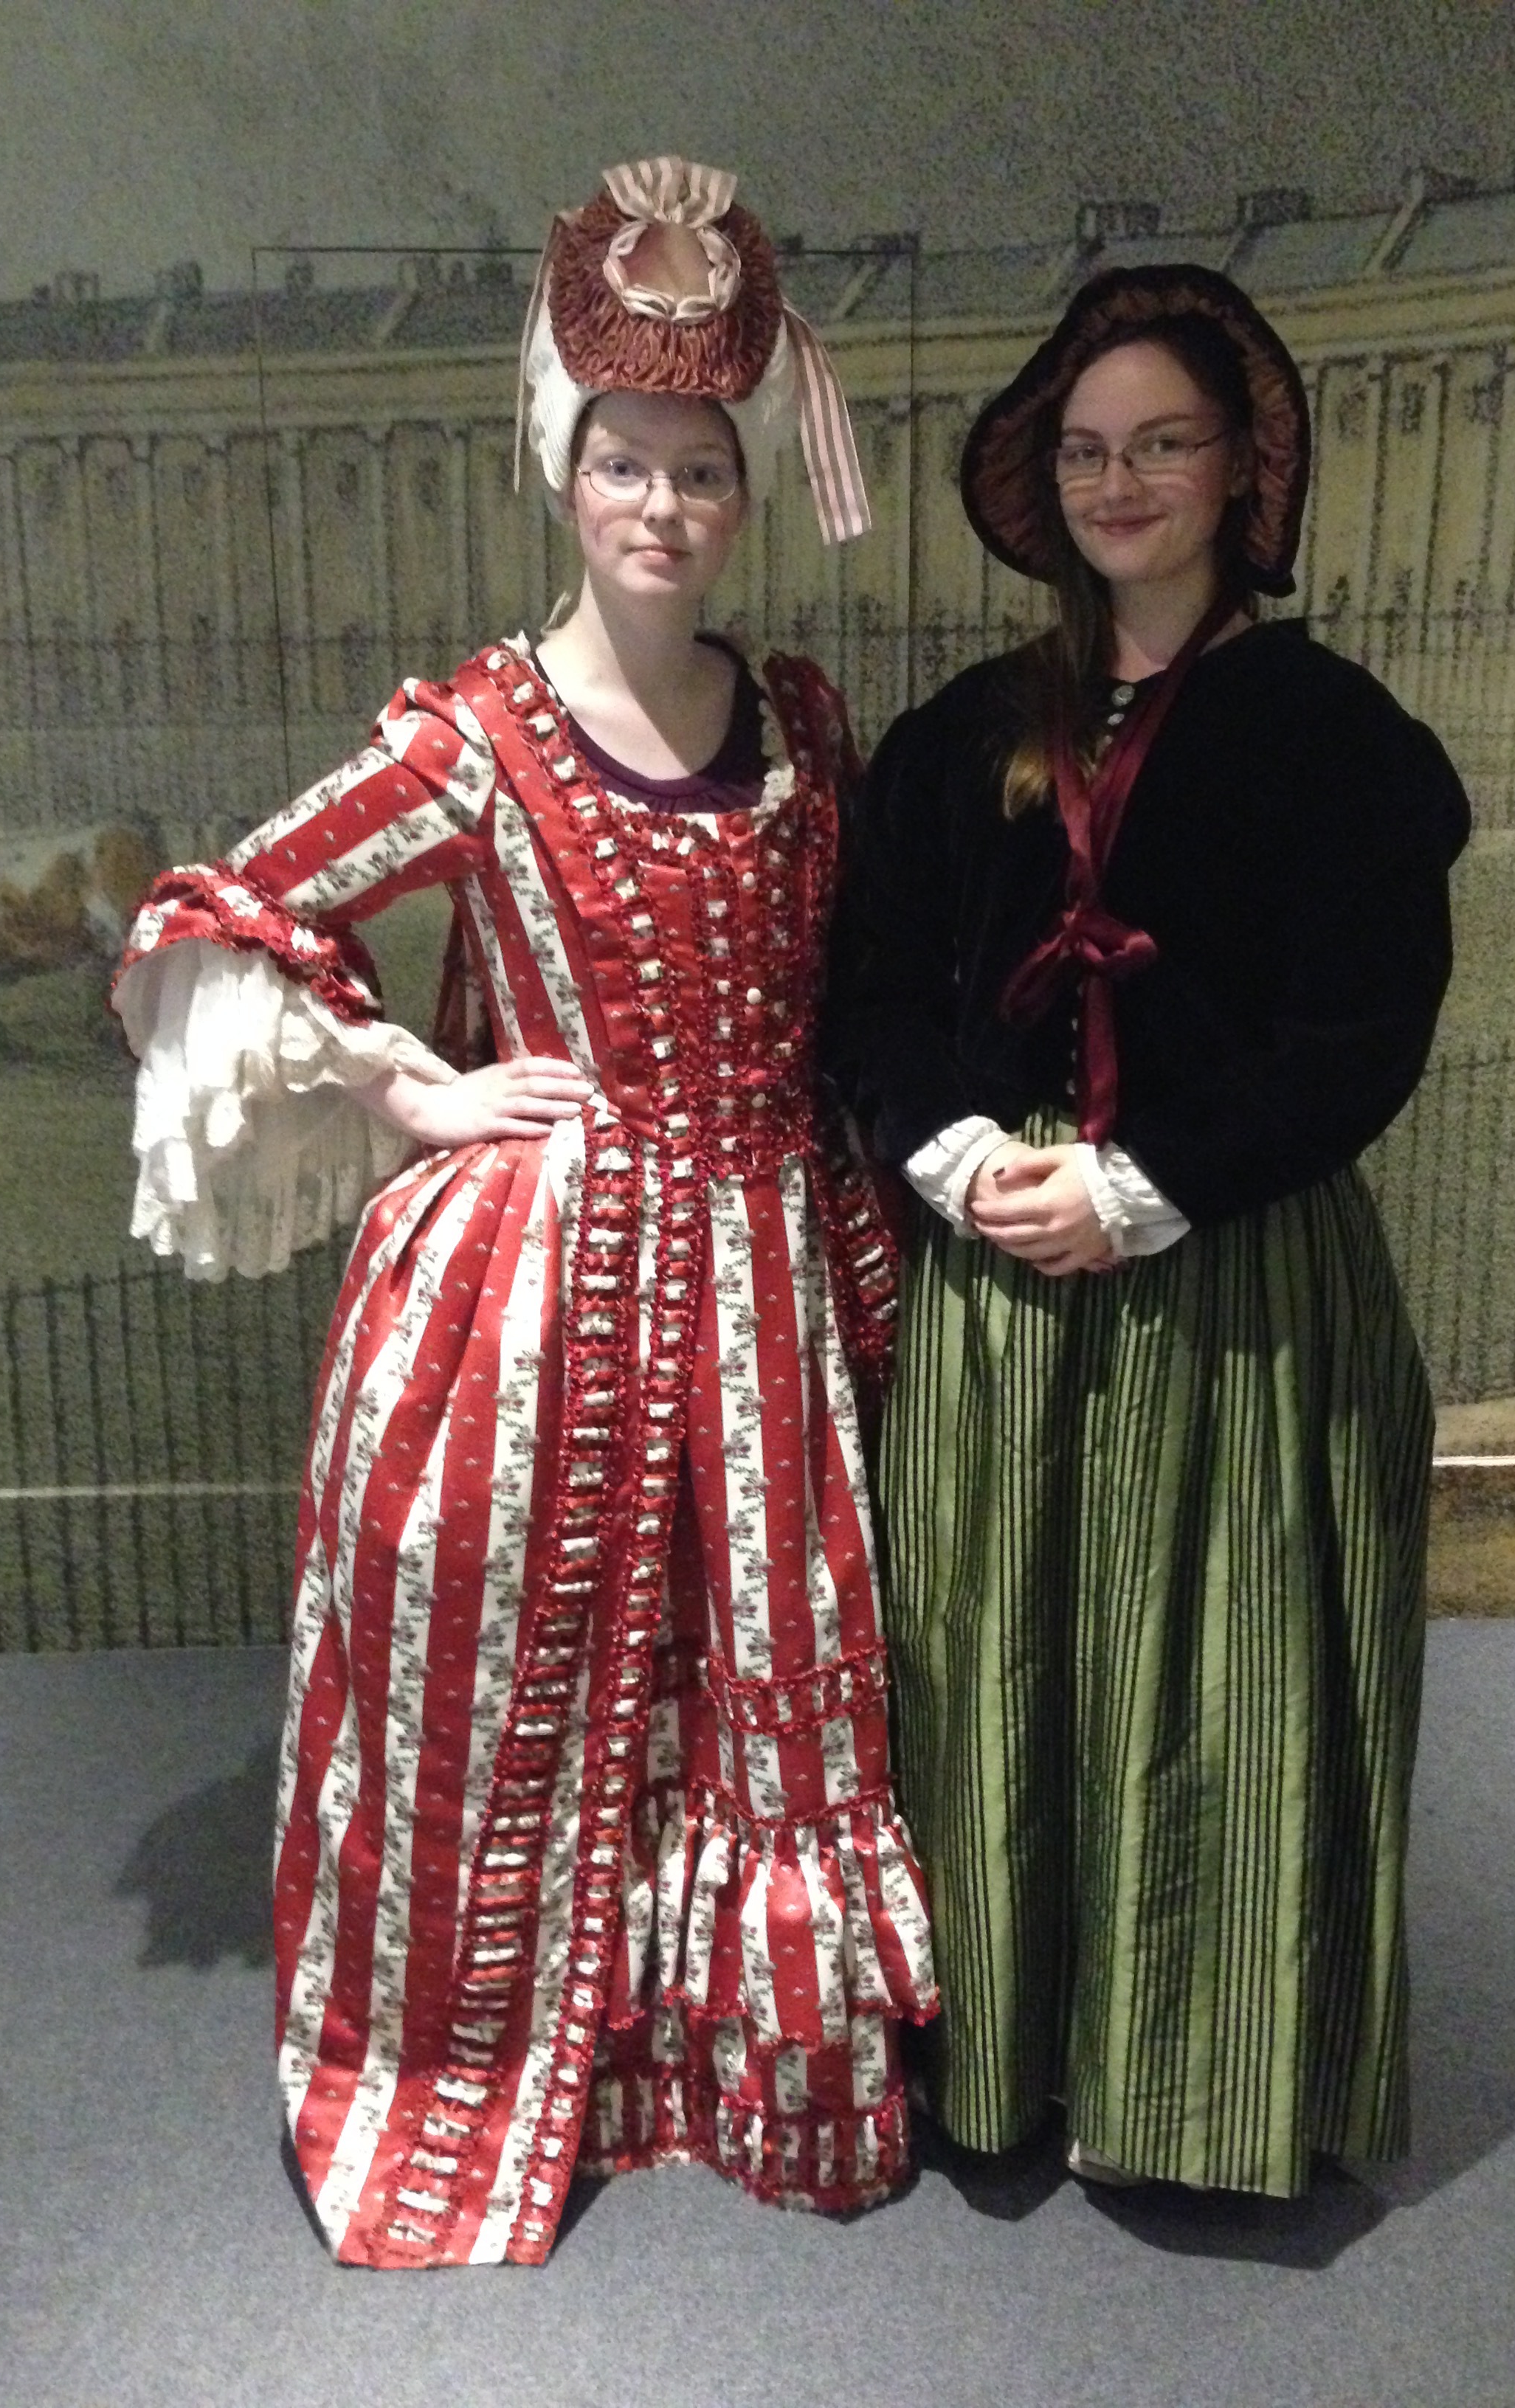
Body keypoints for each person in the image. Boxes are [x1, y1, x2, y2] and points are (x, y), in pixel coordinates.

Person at [112, 157, 934, 2270]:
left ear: (742, 493)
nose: (664, 507)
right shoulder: (477, 733)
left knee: (749, 1666)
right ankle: (486, 2068)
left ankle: (710, 2058)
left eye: (701, 472)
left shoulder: (804, 729)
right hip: (542, 1281)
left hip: (754, 1271)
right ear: (565, 477)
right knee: (525, 1669)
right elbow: (233, 899)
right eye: (627, 465)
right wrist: (412, 1082)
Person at [827, 263, 1469, 2197]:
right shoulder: (967, 735)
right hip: (1007, 1273)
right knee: (1004, 1669)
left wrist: (1142, 1185)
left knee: (1216, 1678)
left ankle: (1205, 2085)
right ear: (1048, 480)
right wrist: (957, 1159)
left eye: (1161, 442)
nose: (1123, 482)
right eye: (1090, 449)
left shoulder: (1332, 735)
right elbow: (869, 1002)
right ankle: (1012, 2055)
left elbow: (1363, 1026)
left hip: (1230, 1269)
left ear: (1237, 467)